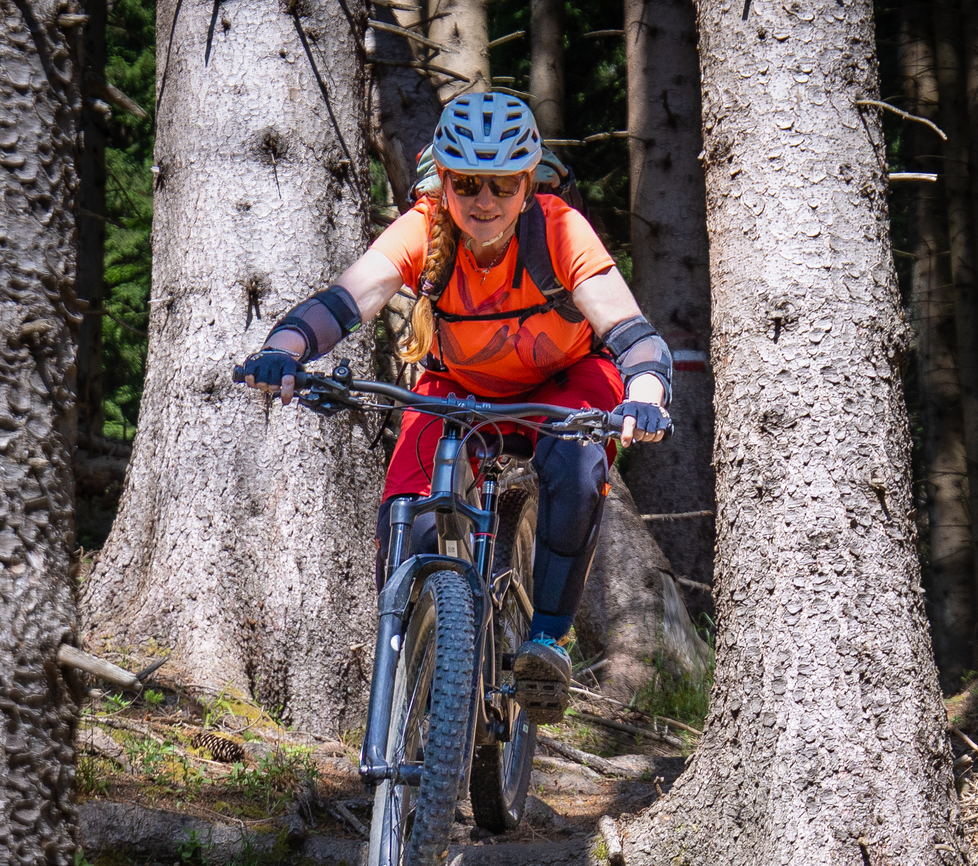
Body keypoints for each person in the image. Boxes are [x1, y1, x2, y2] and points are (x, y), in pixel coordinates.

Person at [241, 92, 672, 724]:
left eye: (502, 184)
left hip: (565, 380)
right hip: (458, 385)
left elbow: (630, 332)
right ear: (443, 179)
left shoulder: (557, 228)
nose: (484, 200)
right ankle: (413, 671)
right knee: (407, 513)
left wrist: (646, 392)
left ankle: (546, 643)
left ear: (528, 183)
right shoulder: (424, 227)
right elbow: (345, 301)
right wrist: (283, 349)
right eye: (467, 183)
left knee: (579, 467)